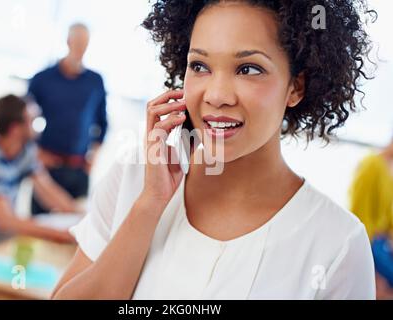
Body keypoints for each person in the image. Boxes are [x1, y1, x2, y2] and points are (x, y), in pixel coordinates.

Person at [53, 0, 376, 299]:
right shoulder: (135, 178)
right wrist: (149, 207)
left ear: (296, 86)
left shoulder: (338, 244)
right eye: (200, 66)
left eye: (248, 68)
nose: (217, 95)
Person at [0, 94, 79, 258]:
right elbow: (4, 221)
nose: (37, 125)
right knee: (31, 261)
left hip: (1, 233)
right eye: (32, 120)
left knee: (44, 252)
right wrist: (60, 234)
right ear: (15, 128)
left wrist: (78, 214)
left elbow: (48, 190)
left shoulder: (25, 151)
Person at [28, 23, 108, 215]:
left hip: (79, 170)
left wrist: (93, 157)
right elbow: (25, 120)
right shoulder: (42, 79)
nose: (81, 48)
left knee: (75, 227)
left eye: (85, 43)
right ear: (68, 41)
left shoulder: (95, 81)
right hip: (48, 169)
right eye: (77, 42)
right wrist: (35, 152)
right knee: (41, 227)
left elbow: (103, 124)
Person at [349, 141, 393, 298]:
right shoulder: (371, 164)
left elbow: (388, 214)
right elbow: (358, 205)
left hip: (381, 240)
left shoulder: (387, 170)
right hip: (369, 239)